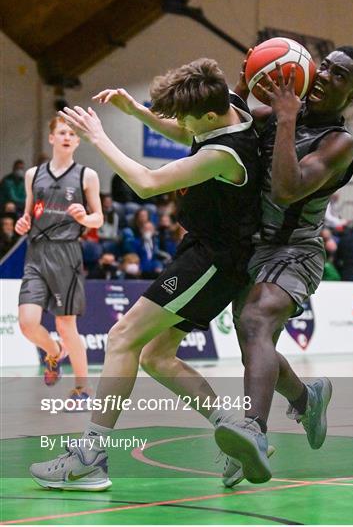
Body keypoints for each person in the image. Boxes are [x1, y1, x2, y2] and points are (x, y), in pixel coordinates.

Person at [29, 58, 262, 490]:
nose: (182, 125)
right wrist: (137, 112)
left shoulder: (226, 154)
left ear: (209, 116)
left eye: (188, 118)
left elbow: (148, 183)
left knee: (121, 337)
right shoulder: (224, 103)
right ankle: (238, 432)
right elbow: (185, 130)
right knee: (156, 355)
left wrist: (98, 137)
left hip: (213, 260)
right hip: (203, 250)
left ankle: (90, 458)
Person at [213, 46, 353, 484]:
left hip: (295, 253)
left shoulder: (338, 143)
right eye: (325, 66)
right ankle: (306, 399)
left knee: (254, 321)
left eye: (339, 76)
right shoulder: (281, 110)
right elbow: (226, 121)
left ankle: (252, 432)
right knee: (255, 341)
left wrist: (285, 118)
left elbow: (287, 190)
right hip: (251, 249)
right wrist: (243, 86)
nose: (324, 75)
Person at [16, 116, 103, 401]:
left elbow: (98, 218)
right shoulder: (33, 175)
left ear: (77, 141)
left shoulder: (86, 175)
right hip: (36, 253)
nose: (67, 137)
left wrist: (84, 217)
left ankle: (82, 388)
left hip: (66, 253)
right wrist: (23, 223)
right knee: (27, 323)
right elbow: (30, 213)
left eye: (72, 134)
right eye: (62, 132)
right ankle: (53, 353)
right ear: (52, 137)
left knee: (66, 327)